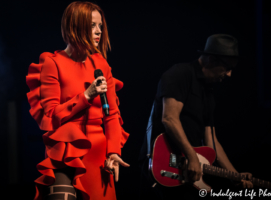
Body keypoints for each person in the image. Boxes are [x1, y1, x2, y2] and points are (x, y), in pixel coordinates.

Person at [26, 2, 129, 200]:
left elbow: (112, 115)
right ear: (75, 27)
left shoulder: (101, 65)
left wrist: (114, 152)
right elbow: (50, 116)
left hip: (98, 153)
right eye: (92, 25)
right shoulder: (53, 63)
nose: (98, 31)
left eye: (100, 26)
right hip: (66, 153)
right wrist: (86, 96)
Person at [139, 34, 253, 199]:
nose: (229, 74)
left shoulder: (208, 94)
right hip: (162, 163)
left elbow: (211, 141)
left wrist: (234, 175)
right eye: (227, 68)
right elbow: (169, 118)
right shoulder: (180, 74)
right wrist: (192, 156)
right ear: (211, 60)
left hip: (186, 170)